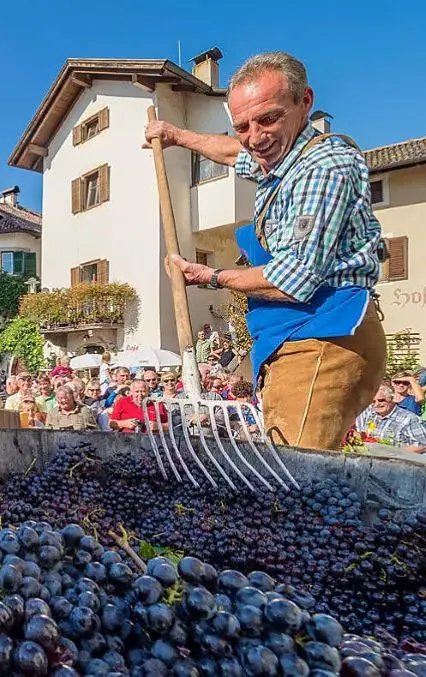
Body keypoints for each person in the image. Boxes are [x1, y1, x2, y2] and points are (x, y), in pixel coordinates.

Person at [146, 51, 385, 451]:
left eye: (268, 118)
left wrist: (209, 276)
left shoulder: (322, 168)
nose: (256, 137)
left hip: (324, 334)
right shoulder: (279, 160)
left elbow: (294, 280)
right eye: (243, 125)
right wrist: (176, 135)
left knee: (297, 472)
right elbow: (232, 153)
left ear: (303, 102)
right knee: (292, 462)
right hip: (294, 332)